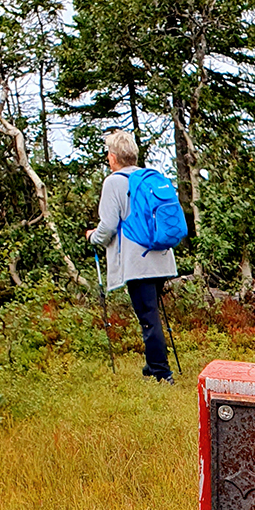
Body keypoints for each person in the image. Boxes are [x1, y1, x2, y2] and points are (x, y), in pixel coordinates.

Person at [87, 130, 177, 384]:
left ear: (113, 157)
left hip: (138, 262)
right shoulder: (150, 178)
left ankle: (162, 373)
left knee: (148, 318)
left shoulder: (114, 182)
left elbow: (108, 226)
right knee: (152, 313)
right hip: (161, 255)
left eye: (108, 154)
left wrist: (92, 237)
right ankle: (152, 365)